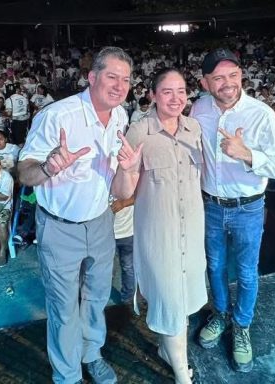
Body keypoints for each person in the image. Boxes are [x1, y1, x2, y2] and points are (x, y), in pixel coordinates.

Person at [18, 46, 133, 384]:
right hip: (59, 227)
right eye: (112, 76)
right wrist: (48, 167)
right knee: (64, 308)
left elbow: (116, 179)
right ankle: (67, 375)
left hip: (100, 222)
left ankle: (91, 354)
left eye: (126, 79)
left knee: (96, 298)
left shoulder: (121, 116)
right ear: (92, 77)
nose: (119, 86)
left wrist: (127, 171)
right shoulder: (57, 116)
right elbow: (24, 172)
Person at [191, 47, 275, 373]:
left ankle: (242, 326)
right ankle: (220, 314)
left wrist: (246, 154)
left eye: (233, 75)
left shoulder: (262, 114)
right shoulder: (199, 109)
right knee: (215, 266)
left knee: (246, 272)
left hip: (248, 208)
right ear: (205, 82)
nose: (227, 83)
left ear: (241, 75)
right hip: (210, 205)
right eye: (218, 78)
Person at [111, 68, 204, 384]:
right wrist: (127, 171)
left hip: (191, 232)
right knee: (170, 301)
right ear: (152, 95)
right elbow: (121, 191)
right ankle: (182, 375)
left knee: (183, 299)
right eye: (167, 91)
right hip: (159, 236)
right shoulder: (139, 132)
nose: (176, 98)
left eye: (181, 91)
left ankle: (167, 351)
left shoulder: (194, 129)